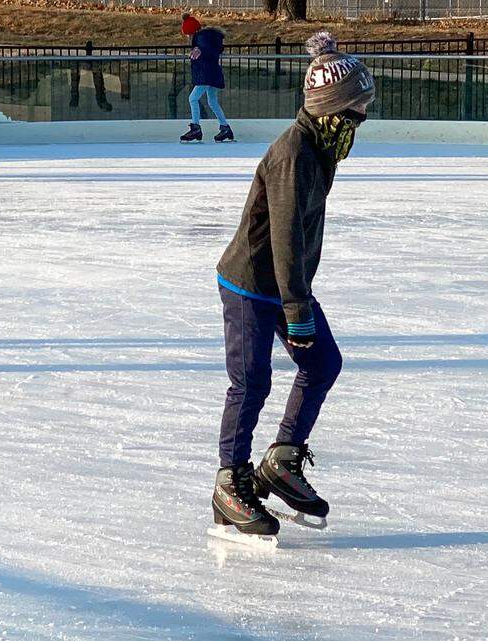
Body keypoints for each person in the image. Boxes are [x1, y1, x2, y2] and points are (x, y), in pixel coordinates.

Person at [210, 31, 376, 540]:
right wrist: (298, 308)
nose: (359, 124)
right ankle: (229, 482)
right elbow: (284, 236)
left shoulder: (320, 146)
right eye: (354, 114)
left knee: (323, 361)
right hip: (250, 285)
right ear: (331, 109)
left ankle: (281, 459)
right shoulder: (295, 154)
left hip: (285, 284)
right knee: (251, 381)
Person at [179, 14, 233, 143]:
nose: (187, 37)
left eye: (187, 34)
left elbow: (207, 50)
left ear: (191, 32)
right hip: (212, 73)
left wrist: (200, 50)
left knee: (193, 98)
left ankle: (195, 127)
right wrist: (200, 49)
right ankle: (225, 128)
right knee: (212, 102)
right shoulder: (207, 37)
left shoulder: (201, 38)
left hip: (206, 75)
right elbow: (213, 50)